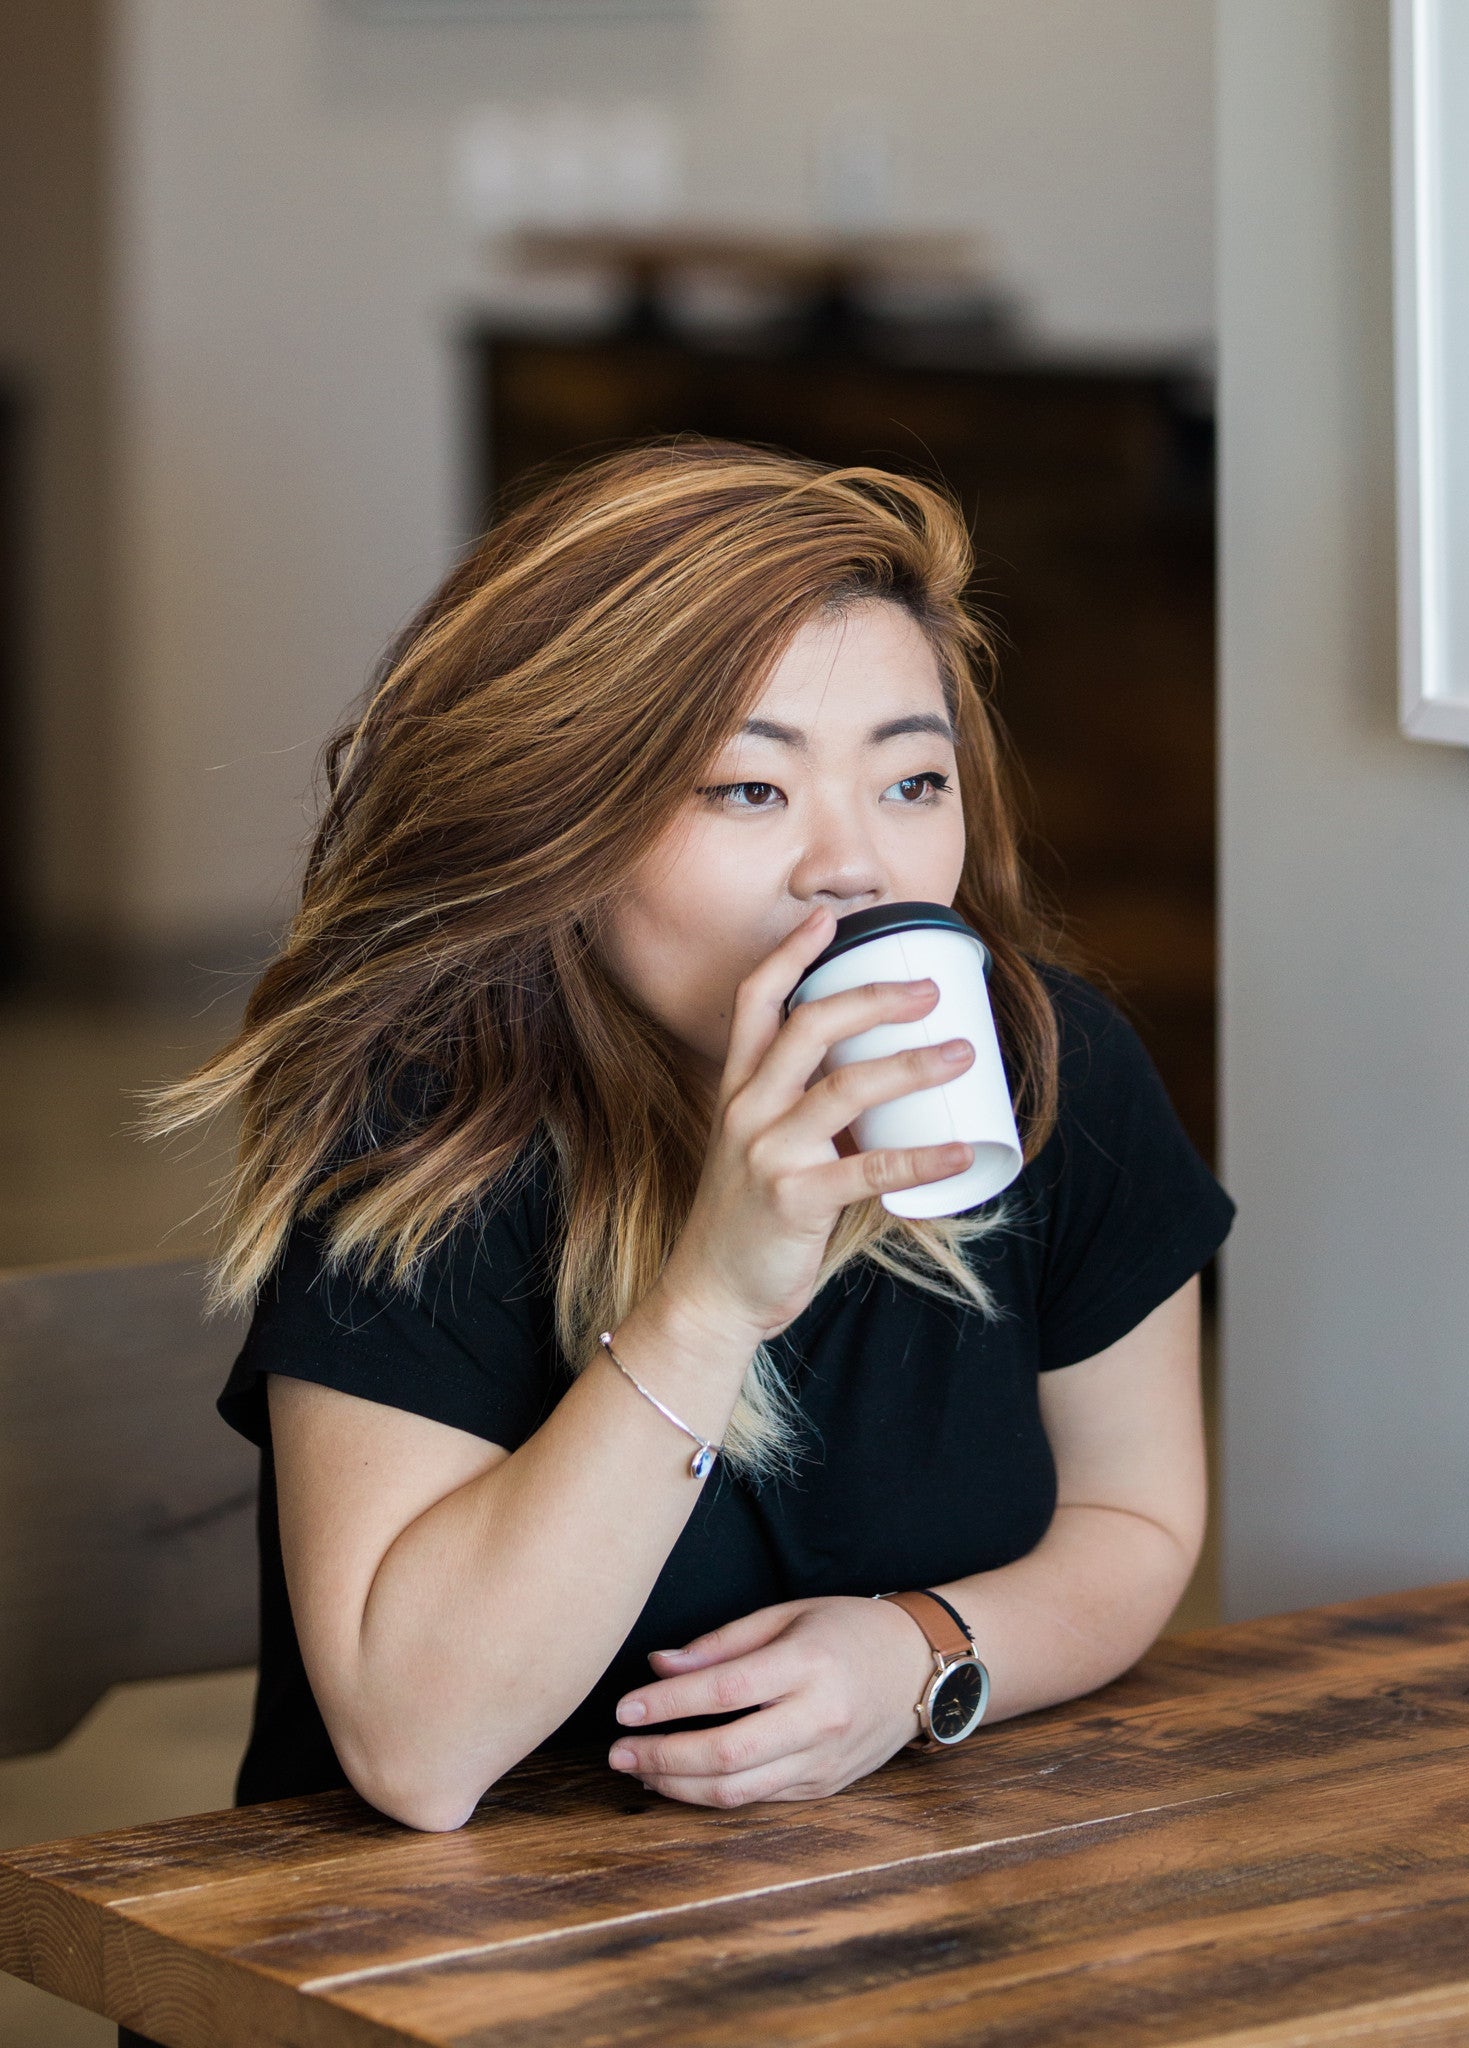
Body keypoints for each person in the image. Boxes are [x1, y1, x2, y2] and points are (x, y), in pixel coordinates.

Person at [152, 438, 1234, 1843]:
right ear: (566, 820)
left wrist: (918, 1657)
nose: (854, 864)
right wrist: (714, 1298)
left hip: (887, 1898)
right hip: (443, 1935)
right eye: (749, 789)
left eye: (913, 781)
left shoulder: (1045, 1069)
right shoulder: (436, 1121)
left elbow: (1134, 1523)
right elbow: (417, 1751)